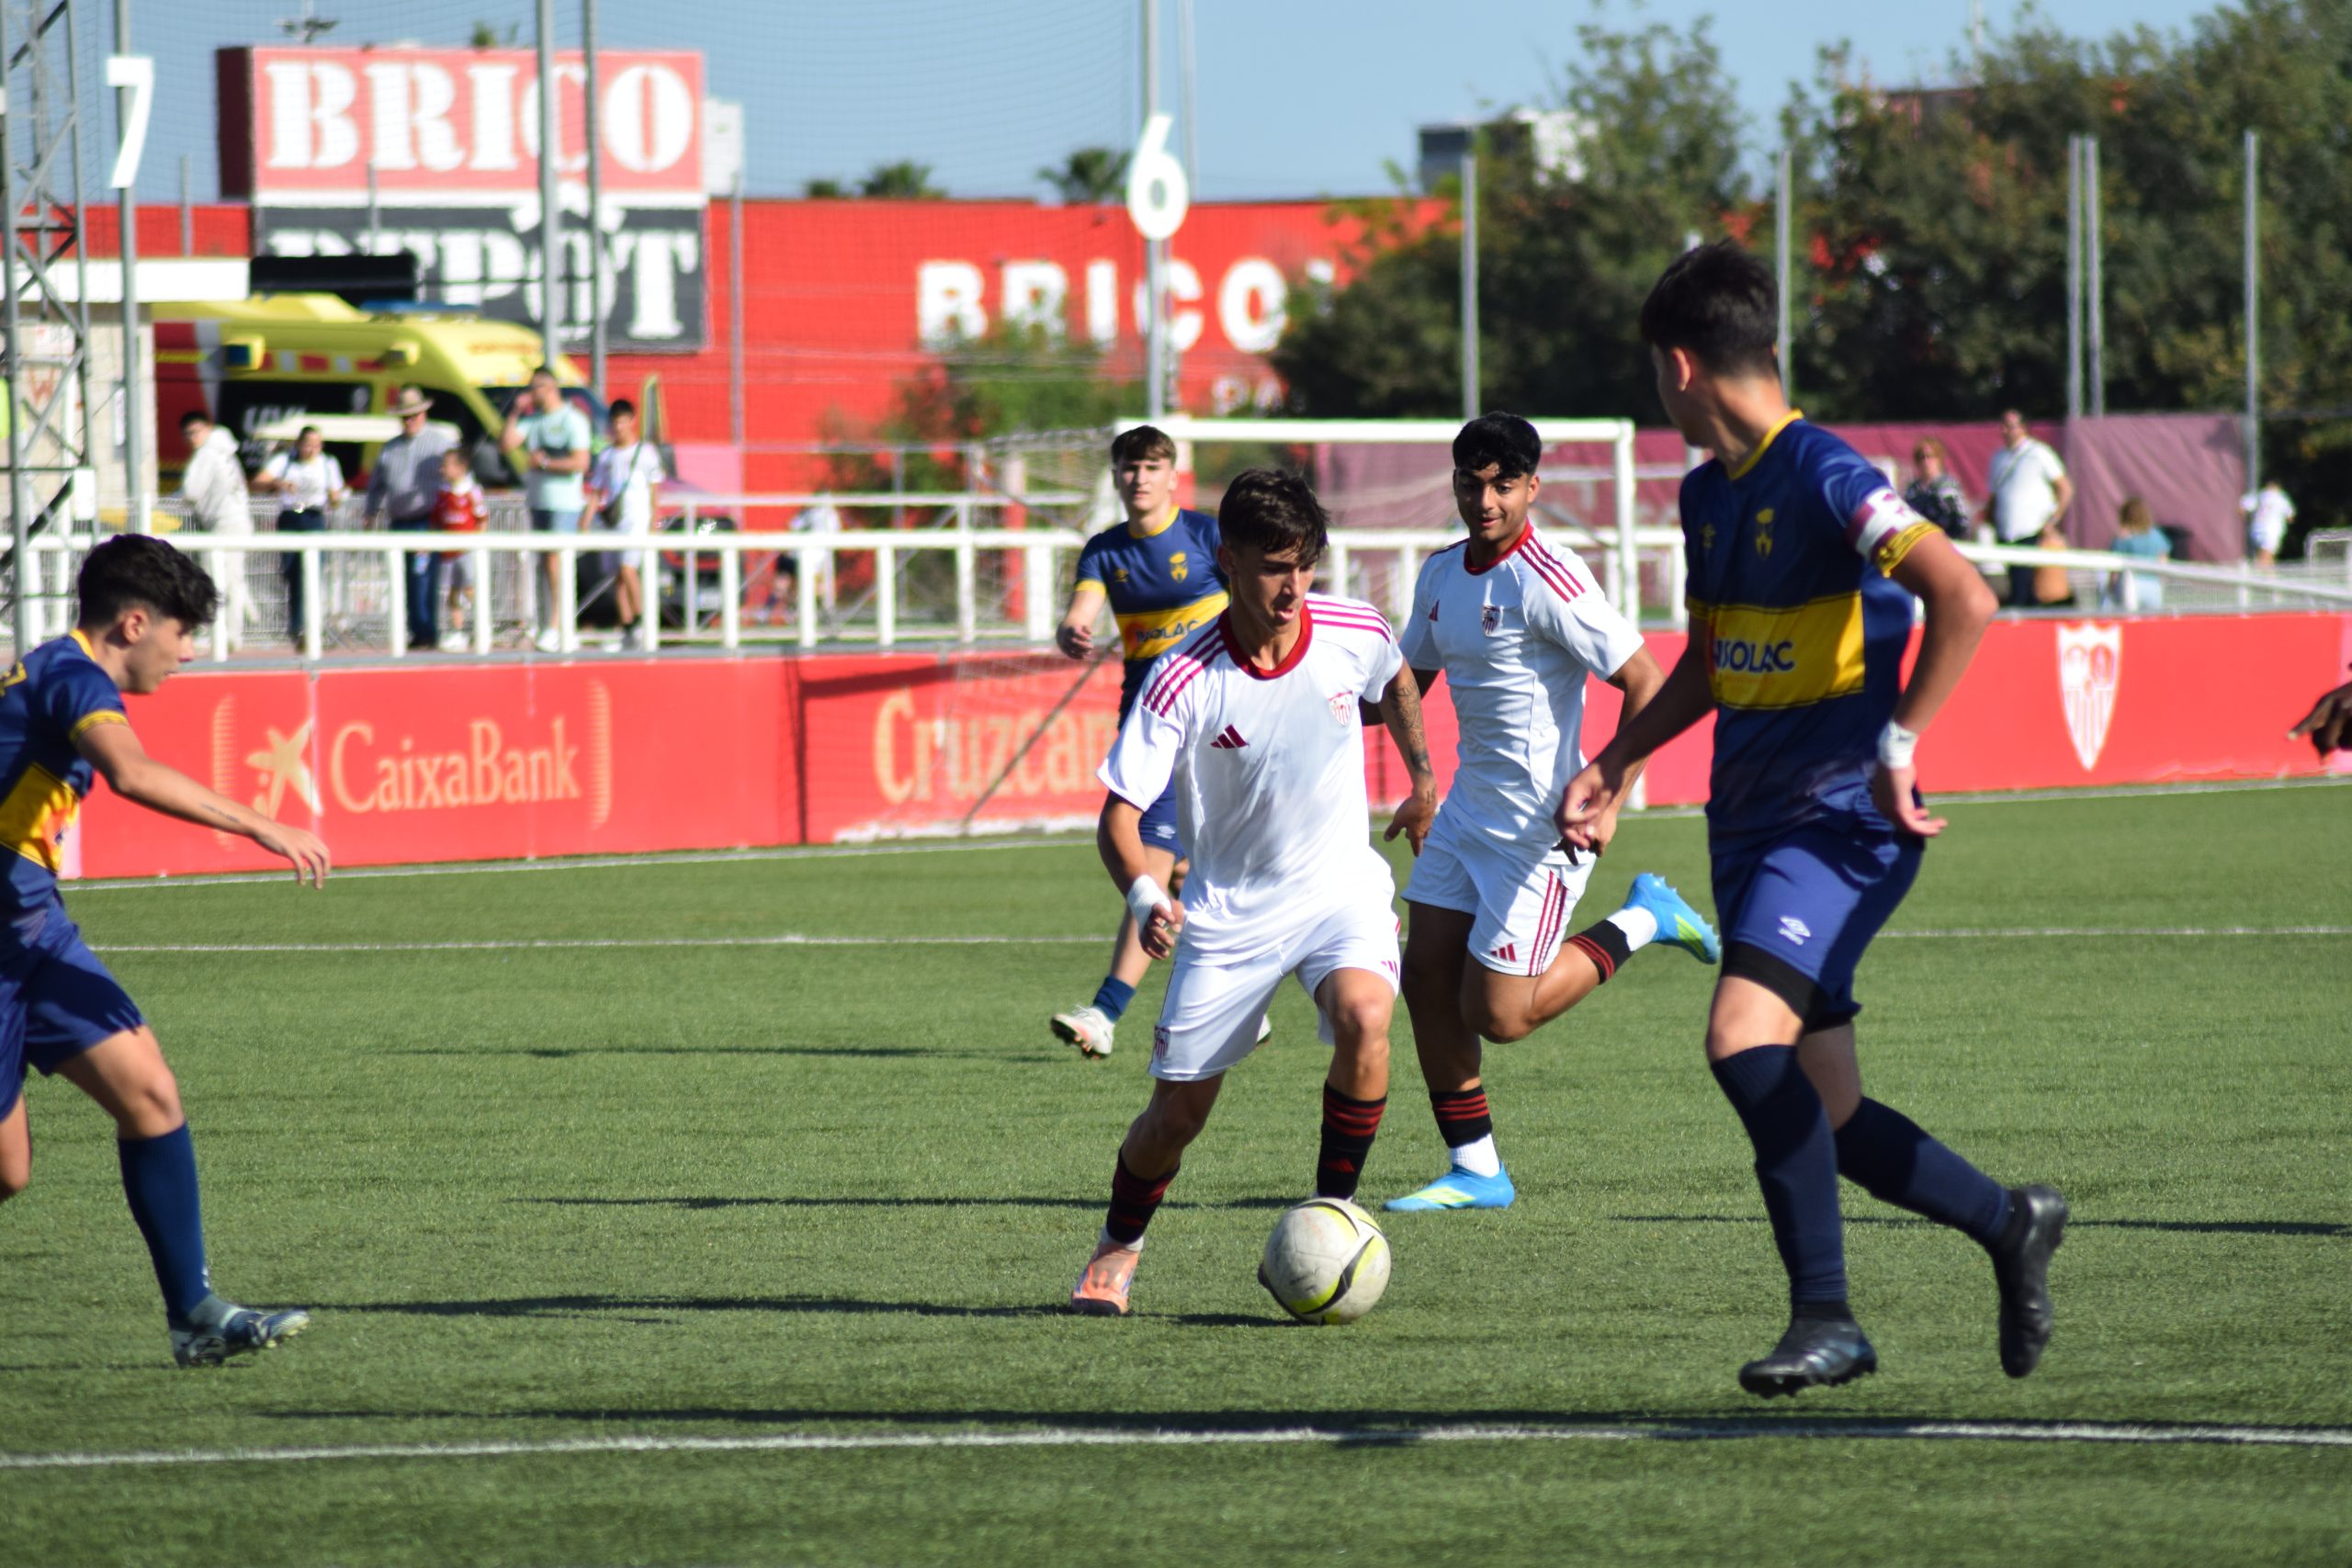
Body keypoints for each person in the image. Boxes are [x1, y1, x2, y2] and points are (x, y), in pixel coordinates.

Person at [1560, 243, 2066, 1397]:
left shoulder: (1830, 473)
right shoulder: (1703, 495)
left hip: (1838, 826)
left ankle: (1827, 1319)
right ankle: (2007, 1223)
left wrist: (1898, 744)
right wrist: (1620, 756)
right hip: (1745, 829)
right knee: (1827, 1113)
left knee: (1741, 1042)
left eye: (1653, 371)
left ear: (1680, 366)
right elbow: (1716, 658)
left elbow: (1965, 595)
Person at [1069, 468, 1437, 1315]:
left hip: (1340, 888)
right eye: (1275, 566)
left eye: (1306, 564)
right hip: (1230, 914)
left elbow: (1399, 681)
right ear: (1227, 561)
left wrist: (1421, 777)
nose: (1294, 586)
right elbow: (1119, 818)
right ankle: (1117, 1250)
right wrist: (1144, 899)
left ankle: (1331, 1214)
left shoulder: (1353, 628)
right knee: (1177, 1116)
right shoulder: (1182, 675)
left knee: (1367, 1017)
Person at [0, 534, 330, 1364]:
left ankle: (195, 1314)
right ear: (133, 621)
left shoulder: (51, 673)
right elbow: (133, 773)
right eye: (182, 633)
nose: (187, 653)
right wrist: (262, 822)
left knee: (150, 1094)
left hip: (32, 927)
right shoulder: (73, 675)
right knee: (7, 1172)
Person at [1384, 412, 1719, 1215]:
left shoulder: (1551, 576)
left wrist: (1610, 790)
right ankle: (1476, 1169)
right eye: (1473, 482)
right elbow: (1405, 686)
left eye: (1504, 484)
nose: (1487, 499)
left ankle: (1645, 918)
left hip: (1542, 830)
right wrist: (1423, 783)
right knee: (1423, 971)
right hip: (1466, 814)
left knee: (1499, 1016)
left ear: (1534, 486)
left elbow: (1647, 680)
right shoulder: (1438, 575)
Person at [1046, 425, 1238, 1061]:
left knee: (1169, 863)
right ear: (1115, 476)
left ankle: (1112, 1011)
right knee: (1169, 863)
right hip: (1153, 723)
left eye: (1152, 466)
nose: (1140, 478)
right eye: (1129, 467)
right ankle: (1206, 994)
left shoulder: (1207, 536)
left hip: (1220, 715)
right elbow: (1082, 610)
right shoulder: (1103, 551)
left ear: (1172, 475)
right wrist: (1072, 629)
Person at [499, 367, 592, 653]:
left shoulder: (572, 420)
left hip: (564, 505)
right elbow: (507, 444)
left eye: (534, 388)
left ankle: (559, 625)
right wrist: (515, 412)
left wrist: (545, 464)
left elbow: (580, 462)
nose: (530, 393)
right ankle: (547, 623)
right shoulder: (534, 420)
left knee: (556, 562)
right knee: (543, 565)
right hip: (539, 501)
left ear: (549, 388)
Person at [363, 387, 458, 650]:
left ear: (423, 413)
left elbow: (455, 477)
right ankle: (416, 629)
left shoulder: (440, 444)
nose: (410, 420)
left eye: (414, 415)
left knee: (423, 577)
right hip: (399, 521)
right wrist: (370, 511)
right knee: (403, 579)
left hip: (426, 520)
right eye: (405, 416)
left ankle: (426, 631)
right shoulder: (390, 449)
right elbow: (377, 484)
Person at [252, 424, 347, 645]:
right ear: (299, 445)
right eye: (308, 445)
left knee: (312, 572)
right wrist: (278, 483)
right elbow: (257, 482)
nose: (312, 450)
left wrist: (335, 496)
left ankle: (312, 626)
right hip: (290, 517)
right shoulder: (284, 461)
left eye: (317, 445)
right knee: (292, 572)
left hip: (314, 517)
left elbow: (336, 495)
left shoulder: (328, 463)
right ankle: (296, 626)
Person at [583, 398, 665, 651]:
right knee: (619, 575)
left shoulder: (646, 452)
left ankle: (641, 620)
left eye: (622, 421)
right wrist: (585, 521)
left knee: (629, 569)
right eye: (614, 422)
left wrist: (654, 520)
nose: (618, 427)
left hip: (637, 520)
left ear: (632, 421)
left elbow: (654, 490)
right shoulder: (607, 455)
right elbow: (596, 491)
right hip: (615, 521)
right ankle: (627, 627)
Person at [175, 411, 255, 649]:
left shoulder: (207, 453)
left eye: (196, 432)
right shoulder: (226, 451)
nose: (192, 438)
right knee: (233, 579)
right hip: (239, 522)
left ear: (208, 428)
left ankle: (219, 634)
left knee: (214, 578)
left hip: (225, 523)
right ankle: (231, 633)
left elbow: (190, 491)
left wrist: (169, 505)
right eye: (188, 434)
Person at [1980, 409, 2073, 607]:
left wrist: (2053, 521)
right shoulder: (1998, 458)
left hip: (2032, 531)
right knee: (2017, 584)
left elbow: (2064, 488)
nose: (2006, 430)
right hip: (2006, 532)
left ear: (2023, 428)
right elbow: (1994, 495)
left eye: (2011, 426)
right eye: (2003, 426)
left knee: (2027, 587)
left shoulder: (2039, 453)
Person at [431, 445, 488, 641]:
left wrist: (475, 544)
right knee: (452, 592)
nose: (442, 470)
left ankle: (482, 627)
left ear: (461, 467)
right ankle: (458, 631)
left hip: (467, 552)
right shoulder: (443, 493)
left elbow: (482, 519)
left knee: (470, 588)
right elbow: (436, 520)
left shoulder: (472, 491)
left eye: (446, 466)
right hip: (448, 552)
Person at [2103, 496, 2171, 611]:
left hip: (2129, 586)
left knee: (2131, 621)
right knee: (2151, 622)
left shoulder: (2122, 538)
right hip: (2153, 585)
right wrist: (2162, 582)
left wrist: (2110, 588)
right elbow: (2163, 562)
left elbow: (2114, 569)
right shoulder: (2156, 535)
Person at [1903, 436, 1970, 540]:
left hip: (1945, 540)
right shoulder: (1912, 489)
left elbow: (1960, 520)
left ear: (1939, 459)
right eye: (1922, 457)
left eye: (1930, 456)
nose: (1926, 461)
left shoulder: (1948, 485)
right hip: (1917, 541)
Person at [2289, 673, 2352, 755]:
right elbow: (2326, 706)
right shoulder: (2346, 692)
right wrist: (2299, 730)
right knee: (2328, 739)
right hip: (2341, 734)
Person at [2243, 479, 2294, 568]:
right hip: (2272, 531)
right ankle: (2260, 577)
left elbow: (2243, 509)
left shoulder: (2260, 495)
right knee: (2265, 557)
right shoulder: (2281, 498)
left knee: (2268, 558)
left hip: (2256, 530)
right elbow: (2290, 518)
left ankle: (2270, 578)